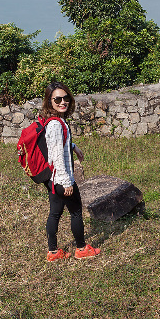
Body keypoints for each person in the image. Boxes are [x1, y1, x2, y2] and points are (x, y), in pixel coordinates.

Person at [41, 81, 101, 262]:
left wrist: (74, 147)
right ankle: (81, 249)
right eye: (57, 99)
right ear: (49, 101)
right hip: (61, 178)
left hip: (51, 179)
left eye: (65, 97)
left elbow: (55, 145)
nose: (62, 102)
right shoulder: (57, 124)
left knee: (55, 213)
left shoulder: (54, 121)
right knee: (75, 212)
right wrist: (66, 182)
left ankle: (53, 252)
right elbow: (58, 155)